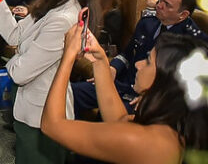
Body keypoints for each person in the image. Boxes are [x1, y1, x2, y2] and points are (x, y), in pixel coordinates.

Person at [0, 0, 95, 163]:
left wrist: (18, 57)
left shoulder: (63, 18)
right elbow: (15, 35)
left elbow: (20, 73)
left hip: (43, 116)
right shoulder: (54, 3)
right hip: (32, 109)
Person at [44, 28, 208, 163]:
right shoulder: (174, 127)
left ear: (165, 81)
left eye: (148, 62)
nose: (138, 64)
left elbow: (52, 126)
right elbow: (119, 121)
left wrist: (68, 56)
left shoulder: (150, 143)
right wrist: (100, 61)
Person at [71, 0, 208, 117]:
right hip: (123, 83)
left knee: (109, 115)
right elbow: (127, 54)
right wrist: (113, 69)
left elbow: (189, 87)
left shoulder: (195, 43)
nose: (159, 5)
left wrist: (156, 97)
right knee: (72, 93)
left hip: (148, 97)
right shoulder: (148, 22)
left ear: (183, 15)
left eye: (167, 5)